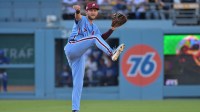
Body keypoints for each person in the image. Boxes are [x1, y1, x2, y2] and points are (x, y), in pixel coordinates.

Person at [64, 2, 125, 112]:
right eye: (91, 10)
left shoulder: (95, 28)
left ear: (97, 12)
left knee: (78, 83)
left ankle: (75, 110)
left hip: (78, 56)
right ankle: (112, 53)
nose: (93, 12)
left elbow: (101, 39)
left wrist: (112, 29)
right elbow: (77, 17)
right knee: (95, 38)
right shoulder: (82, 19)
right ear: (86, 11)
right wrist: (77, 11)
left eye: (95, 10)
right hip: (72, 47)